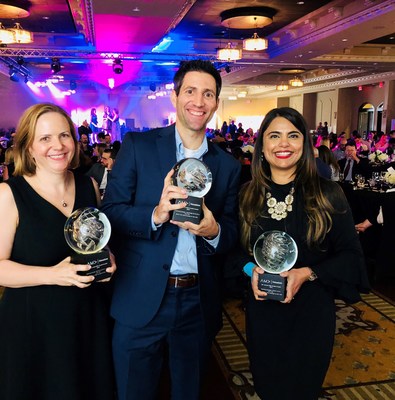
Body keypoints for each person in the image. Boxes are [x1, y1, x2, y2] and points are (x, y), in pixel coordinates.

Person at [101, 60, 241, 400]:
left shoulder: (228, 165)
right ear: (175, 96)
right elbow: (111, 213)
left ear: (216, 103)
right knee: (134, 390)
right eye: (190, 91)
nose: (199, 101)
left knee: (189, 391)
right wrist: (156, 214)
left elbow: (233, 231)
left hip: (197, 299)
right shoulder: (139, 146)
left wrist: (213, 231)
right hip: (141, 295)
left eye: (208, 93)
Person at [238, 107, 370, 400]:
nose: (283, 144)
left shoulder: (328, 193)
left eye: (293, 135)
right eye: (274, 135)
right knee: (267, 388)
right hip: (263, 314)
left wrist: (308, 273)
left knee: (303, 390)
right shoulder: (246, 194)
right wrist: (251, 271)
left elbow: (351, 256)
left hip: (312, 314)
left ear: (305, 145)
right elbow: (233, 255)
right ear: (262, 146)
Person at [0, 102, 117, 400]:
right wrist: (54, 274)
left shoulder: (88, 185)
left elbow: (96, 242)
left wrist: (108, 260)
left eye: (64, 135)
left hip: (87, 316)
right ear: (28, 148)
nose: (58, 145)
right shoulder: (9, 194)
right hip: (34, 324)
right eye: (45, 138)